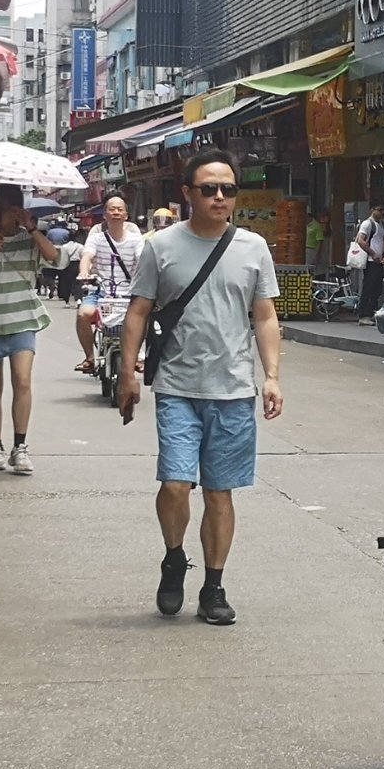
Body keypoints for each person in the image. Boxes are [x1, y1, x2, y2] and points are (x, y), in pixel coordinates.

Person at [119, 154, 281, 626]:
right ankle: (174, 558)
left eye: (228, 189)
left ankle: (213, 586)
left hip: (233, 389)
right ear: (187, 193)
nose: (219, 197)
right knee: (175, 484)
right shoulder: (161, 246)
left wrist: (272, 375)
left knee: (218, 492)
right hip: (177, 385)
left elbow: (265, 316)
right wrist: (127, 373)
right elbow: (138, 311)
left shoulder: (253, 247)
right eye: (209, 189)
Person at [0, 184, 59, 473]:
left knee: (23, 381)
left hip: (23, 319)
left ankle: (20, 447)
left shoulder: (30, 239)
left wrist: (32, 228)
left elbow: (53, 256)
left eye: (10, 208)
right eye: (0, 208)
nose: (3, 213)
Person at [77, 194, 141, 372]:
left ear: (126, 215)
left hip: (130, 292)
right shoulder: (96, 238)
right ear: (105, 214)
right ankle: (90, 358)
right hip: (101, 292)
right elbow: (87, 256)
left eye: (120, 209)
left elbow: (142, 259)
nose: (116, 213)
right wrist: (84, 272)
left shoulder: (136, 239)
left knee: (145, 317)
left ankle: (137, 355)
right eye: (112, 209)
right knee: (83, 315)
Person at [346, 203, 383, 315]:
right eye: (380, 209)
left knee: (377, 288)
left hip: (379, 261)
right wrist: (373, 253)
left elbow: (381, 240)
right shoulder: (367, 224)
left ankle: (371, 312)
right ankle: (363, 314)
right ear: (372, 209)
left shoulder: (381, 224)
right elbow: (361, 240)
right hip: (370, 261)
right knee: (369, 287)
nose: (382, 212)